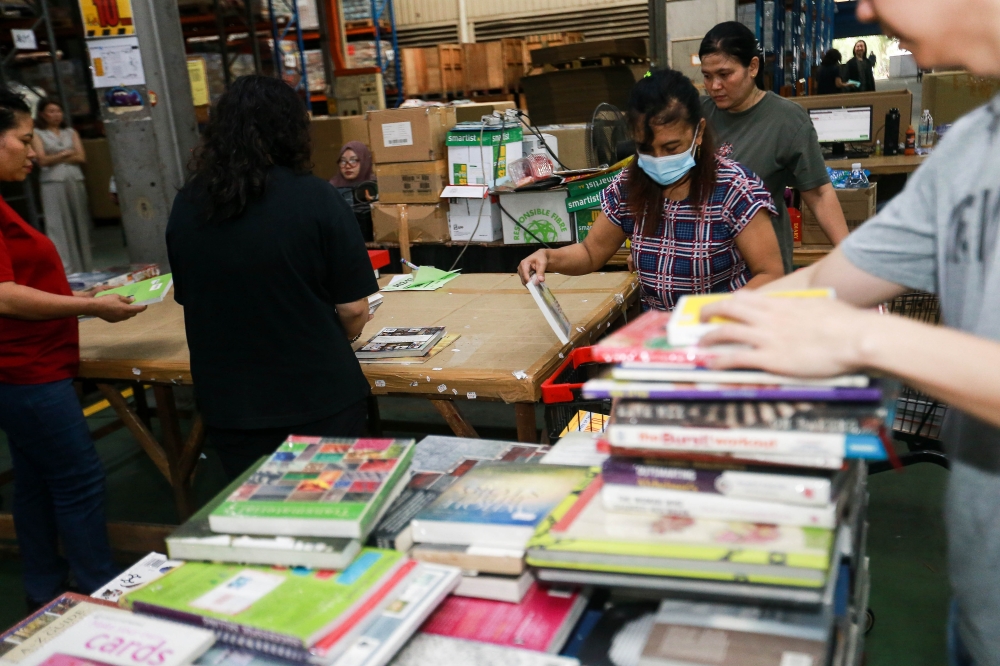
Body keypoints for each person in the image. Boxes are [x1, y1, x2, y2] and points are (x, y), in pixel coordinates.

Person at [695, 1, 1000, 664]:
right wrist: (693, 330)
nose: (863, 8)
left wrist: (863, 339)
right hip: (981, 601)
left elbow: (841, 313)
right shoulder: (971, 149)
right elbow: (829, 283)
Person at [166, 76, 379, 480]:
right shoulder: (316, 197)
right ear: (292, 130)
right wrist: (344, 335)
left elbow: (188, 293)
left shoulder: (188, 203)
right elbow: (353, 308)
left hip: (231, 401)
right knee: (331, 516)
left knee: (260, 521)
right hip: (316, 394)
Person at [0, 89, 146, 610]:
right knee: (79, 479)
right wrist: (90, 308)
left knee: (37, 483)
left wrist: (79, 298)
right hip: (27, 372)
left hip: (24, 370)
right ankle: (99, 588)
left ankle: (44, 589)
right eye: (22, 140)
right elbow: (4, 296)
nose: (32, 152)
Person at [517, 69, 783, 310]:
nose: (658, 159)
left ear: (698, 132)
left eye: (671, 148)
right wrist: (548, 257)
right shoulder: (629, 187)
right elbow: (590, 253)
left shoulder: (733, 188)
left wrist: (711, 317)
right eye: (645, 148)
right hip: (661, 342)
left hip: (723, 339)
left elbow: (769, 275)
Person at [699, 22, 850, 274]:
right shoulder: (698, 115)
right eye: (707, 75)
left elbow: (820, 194)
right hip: (706, 270)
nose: (714, 85)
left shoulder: (787, 120)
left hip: (762, 270)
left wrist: (849, 256)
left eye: (725, 75)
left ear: (753, 67)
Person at [31, 99, 93, 274]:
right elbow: (42, 160)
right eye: (51, 111)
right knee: (57, 225)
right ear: (42, 114)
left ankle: (85, 266)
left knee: (80, 222)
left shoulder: (70, 132)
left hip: (74, 178)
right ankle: (66, 269)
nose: (56, 115)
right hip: (52, 181)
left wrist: (56, 157)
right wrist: (66, 153)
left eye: (58, 111)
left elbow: (81, 157)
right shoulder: (37, 133)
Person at [330, 141, 375, 241]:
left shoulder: (374, 186)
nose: (347, 166)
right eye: (343, 161)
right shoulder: (331, 188)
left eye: (353, 160)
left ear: (364, 161)